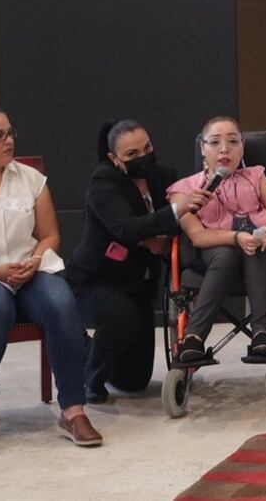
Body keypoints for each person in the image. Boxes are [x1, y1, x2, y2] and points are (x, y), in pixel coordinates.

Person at [0, 104, 102, 445]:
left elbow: (50, 235)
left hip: (28, 269)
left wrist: (34, 261)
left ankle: (74, 410)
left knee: (62, 302)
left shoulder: (31, 178)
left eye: (10, 133)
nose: (8, 141)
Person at [66, 120, 211, 403]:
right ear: (114, 159)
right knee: (122, 318)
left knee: (134, 381)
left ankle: (92, 350)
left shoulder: (165, 176)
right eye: (131, 154)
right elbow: (128, 229)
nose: (142, 157)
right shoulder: (103, 183)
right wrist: (175, 210)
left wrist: (165, 242)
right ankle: (89, 374)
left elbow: (178, 228)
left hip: (139, 283)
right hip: (96, 280)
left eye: (147, 148)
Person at [167, 116, 266, 363]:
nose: (224, 149)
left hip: (259, 250)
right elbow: (197, 235)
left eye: (233, 142)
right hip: (213, 252)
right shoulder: (184, 189)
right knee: (225, 254)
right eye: (215, 142)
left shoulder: (256, 176)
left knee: (256, 248)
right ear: (203, 147)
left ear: (242, 147)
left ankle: (262, 335)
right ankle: (194, 338)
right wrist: (236, 237)